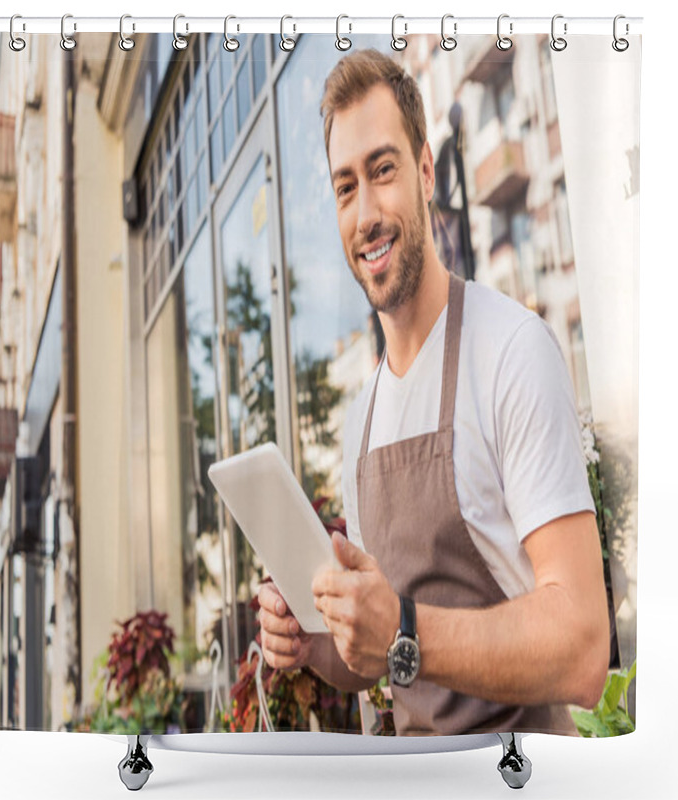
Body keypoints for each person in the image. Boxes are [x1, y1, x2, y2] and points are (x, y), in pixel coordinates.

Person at [259, 49, 610, 736]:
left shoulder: (511, 352)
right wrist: (314, 644)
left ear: (425, 173)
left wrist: (403, 632)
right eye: (344, 187)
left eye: (382, 171)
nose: (366, 213)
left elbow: (583, 647)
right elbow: (374, 656)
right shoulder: (360, 421)